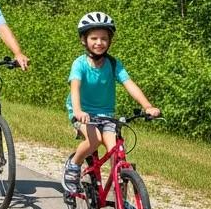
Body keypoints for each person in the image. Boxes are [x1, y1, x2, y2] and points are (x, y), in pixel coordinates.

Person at [62, 11, 160, 196]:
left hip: (106, 115)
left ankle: (122, 201)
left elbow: (129, 84)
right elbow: (75, 87)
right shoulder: (80, 64)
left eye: (104, 38)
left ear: (110, 41)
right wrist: (77, 110)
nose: (99, 42)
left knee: (117, 152)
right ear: (84, 40)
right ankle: (74, 164)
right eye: (94, 38)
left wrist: (147, 106)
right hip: (83, 113)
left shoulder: (114, 64)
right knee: (95, 140)